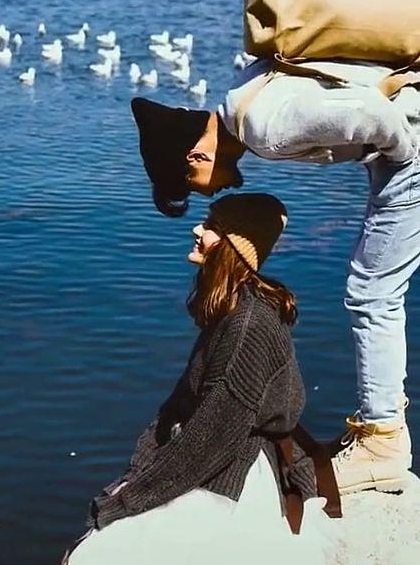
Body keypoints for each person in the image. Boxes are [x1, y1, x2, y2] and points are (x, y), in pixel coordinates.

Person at [0, 194, 344, 565]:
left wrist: (130, 500)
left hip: (232, 481)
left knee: (98, 556)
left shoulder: (247, 328)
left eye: (212, 226)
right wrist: (135, 475)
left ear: (236, 246)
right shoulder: (232, 309)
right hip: (215, 462)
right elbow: (177, 413)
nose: (198, 230)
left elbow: (208, 444)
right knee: (102, 547)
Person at [131, 57, 420, 496]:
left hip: (411, 155)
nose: (216, 190)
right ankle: (376, 429)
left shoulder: (264, 131)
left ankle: (383, 443)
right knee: (373, 289)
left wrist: (401, 158)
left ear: (196, 156)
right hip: (399, 145)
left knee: (372, 294)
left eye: (195, 186)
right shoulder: (242, 96)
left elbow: (372, 116)